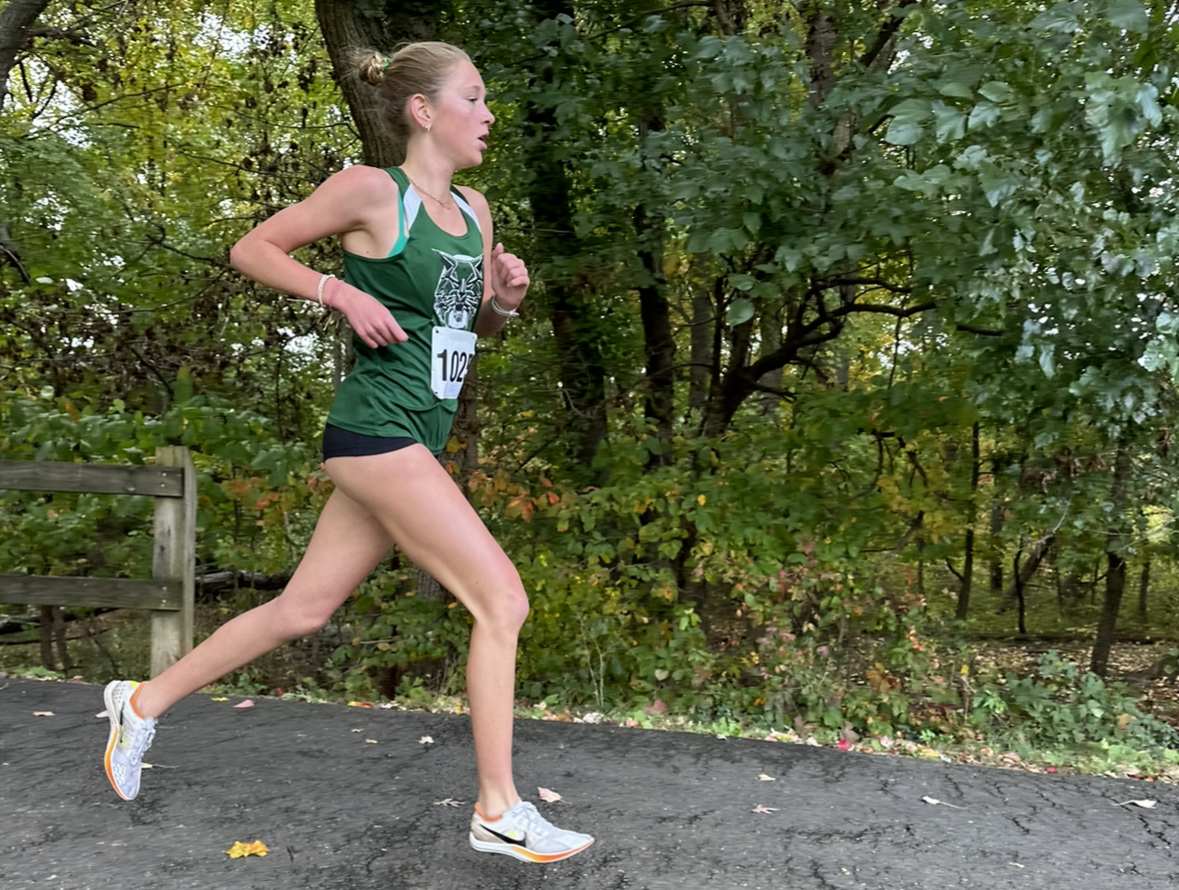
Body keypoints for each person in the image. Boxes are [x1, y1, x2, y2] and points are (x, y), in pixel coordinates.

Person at [101, 41, 594, 865]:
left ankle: (141, 702)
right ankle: (499, 809)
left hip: (417, 434)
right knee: (501, 602)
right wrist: (340, 291)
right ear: (424, 111)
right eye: (474, 98)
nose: (489, 113)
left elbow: (467, 334)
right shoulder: (372, 192)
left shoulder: (474, 210)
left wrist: (505, 303)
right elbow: (253, 248)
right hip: (377, 429)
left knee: (302, 610)